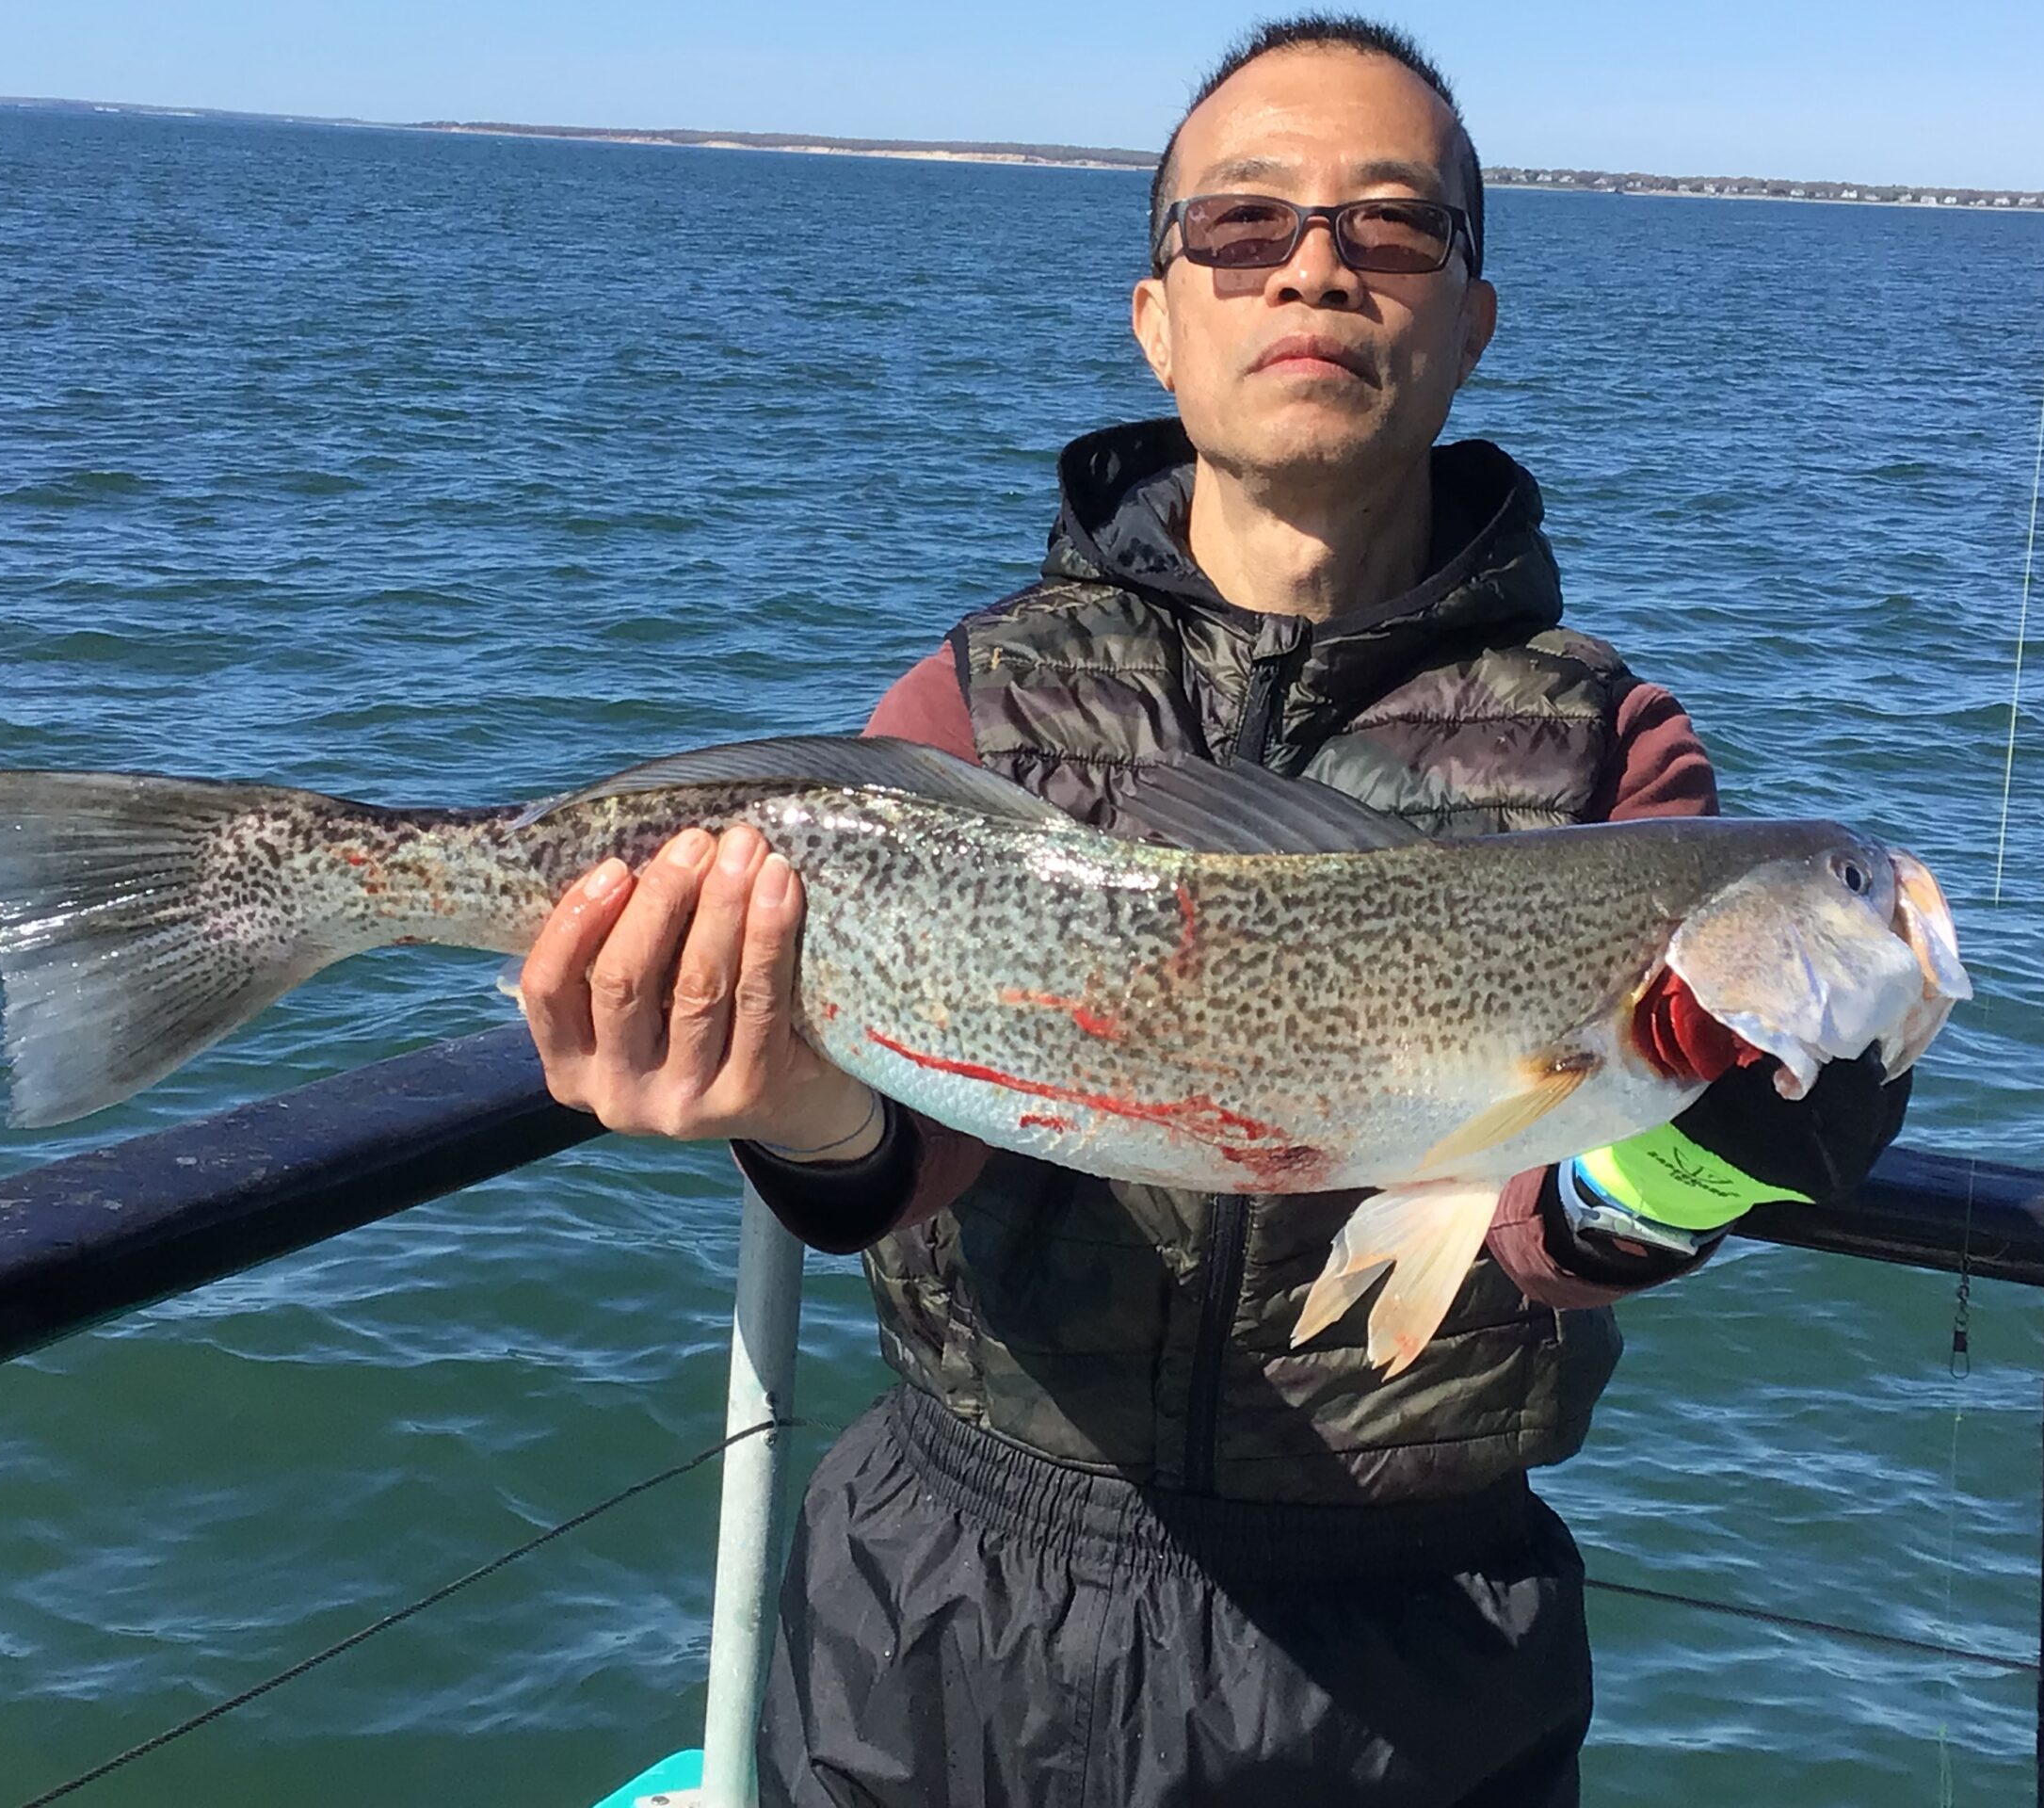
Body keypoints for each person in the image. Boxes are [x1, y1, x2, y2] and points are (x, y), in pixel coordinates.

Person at [520, 16, 1906, 1804]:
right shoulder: (973, 709)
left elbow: (1548, 1229)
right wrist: (783, 1101)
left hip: (1409, 1653)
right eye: (1243, 229)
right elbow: (900, 1165)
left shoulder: (1612, 756)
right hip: (941, 1601)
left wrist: (1724, 1147)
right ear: (1157, 316)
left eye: (1391, 230)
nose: (1316, 267)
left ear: (1473, 318)